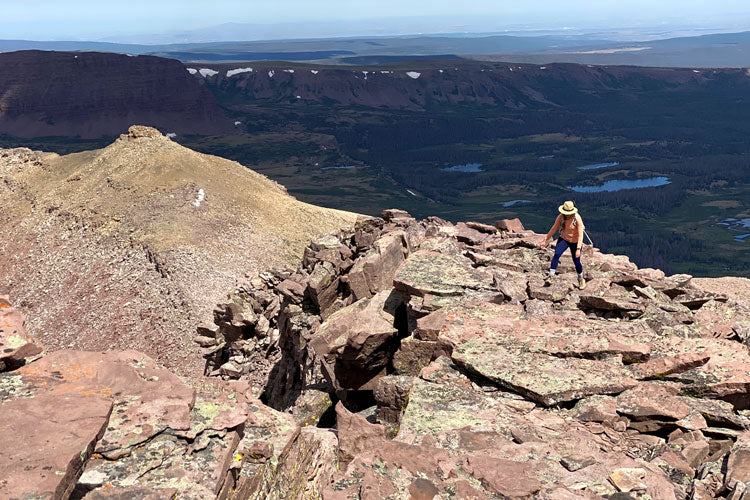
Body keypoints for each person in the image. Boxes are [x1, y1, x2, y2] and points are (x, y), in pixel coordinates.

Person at [542, 200, 586, 290]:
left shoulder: (577, 218)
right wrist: (546, 239)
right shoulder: (561, 217)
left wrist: (578, 248)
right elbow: (554, 228)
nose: (567, 214)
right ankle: (551, 276)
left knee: (576, 261)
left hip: (575, 241)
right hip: (564, 239)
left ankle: (581, 279)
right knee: (557, 254)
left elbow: (581, 233)